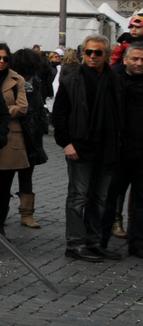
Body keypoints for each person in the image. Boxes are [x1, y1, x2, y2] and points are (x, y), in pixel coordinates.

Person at [52, 33, 122, 262]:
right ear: (83, 54)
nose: (92, 57)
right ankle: (74, 244)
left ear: (107, 55)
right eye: (89, 52)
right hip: (80, 146)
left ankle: (94, 241)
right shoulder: (72, 78)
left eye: (98, 53)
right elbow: (59, 115)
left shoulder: (114, 79)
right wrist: (66, 143)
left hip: (107, 147)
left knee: (99, 198)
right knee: (78, 197)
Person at [104, 43, 143, 259]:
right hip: (117, 150)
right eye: (135, 59)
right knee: (109, 196)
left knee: (140, 199)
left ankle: (137, 242)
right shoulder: (113, 78)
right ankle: (101, 239)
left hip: (140, 151)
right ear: (125, 59)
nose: (139, 63)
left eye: (142, 60)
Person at [0, 43, 29, 236]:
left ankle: (0, 224)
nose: (2, 62)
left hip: (10, 135)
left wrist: (1, 111)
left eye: (5, 58)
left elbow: (22, 107)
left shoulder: (16, 79)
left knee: (5, 185)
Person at [7, 48, 49, 228]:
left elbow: (39, 106)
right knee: (6, 174)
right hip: (14, 131)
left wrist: (41, 125)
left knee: (26, 173)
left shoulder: (35, 83)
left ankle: (26, 213)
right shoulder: (12, 82)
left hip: (32, 134)